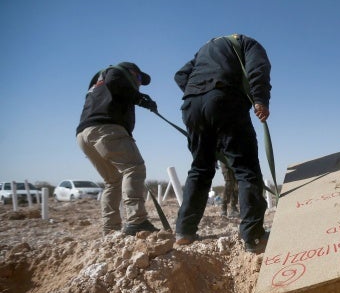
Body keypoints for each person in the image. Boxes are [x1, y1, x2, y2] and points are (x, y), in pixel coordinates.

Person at [173, 34, 271, 253]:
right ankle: (253, 236)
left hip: (191, 107)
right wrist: (260, 99)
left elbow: (180, 75)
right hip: (225, 100)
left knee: (200, 167)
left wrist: (198, 92)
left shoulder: (204, 49)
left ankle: (184, 231)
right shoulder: (248, 44)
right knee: (246, 170)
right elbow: (258, 69)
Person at [76, 62, 160, 236]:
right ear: (128, 72)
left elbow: (116, 88)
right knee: (134, 168)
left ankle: (110, 229)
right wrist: (140, 98)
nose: (138, 83)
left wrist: (137, 98)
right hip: (106, 128)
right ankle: (137, 220)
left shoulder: (97, 84)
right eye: (138, 78)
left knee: (113, 181)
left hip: (84, 134)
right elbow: (116, 81)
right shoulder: (115, 73)